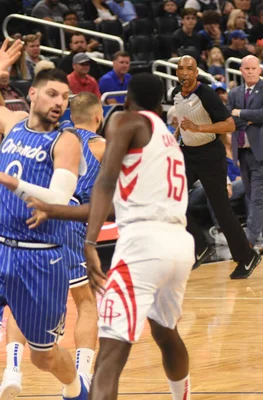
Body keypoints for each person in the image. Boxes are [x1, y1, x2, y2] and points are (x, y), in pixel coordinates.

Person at [83, 73, 192, 400]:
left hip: (144, 244)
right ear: (162, 103)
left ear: (127, 99)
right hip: (179, 243)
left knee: (109, 354)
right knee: (165, 331)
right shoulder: (167, 138)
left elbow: (105, 181)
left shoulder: (127, 121)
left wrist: (90, 242)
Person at [0, 92, 104, 399]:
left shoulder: (56, 138)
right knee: (85, 301)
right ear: (98, 117)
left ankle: (12, 368)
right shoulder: (101, 146)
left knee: (20, 297)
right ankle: (82, 375)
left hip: (28, 215)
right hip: (68, 221)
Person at [174, 56, 261, 278]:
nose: (184, 72)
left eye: (189, 69)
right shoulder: (175, 93)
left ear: (195, 72)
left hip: (210, 154)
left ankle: (247, 256)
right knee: (171, 199)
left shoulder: (206, 94)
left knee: (221, 209)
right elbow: (184, 122)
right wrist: (177, 136)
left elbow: (230, 124)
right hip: (188, 153)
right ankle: (201, 246)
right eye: (180, 68)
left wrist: (198, 127)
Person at [228, 55, 263, 255]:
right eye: (246, 68)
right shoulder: (234, 92)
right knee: (254, 196)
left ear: (260, 70)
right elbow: (229, 118)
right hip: (243, 150)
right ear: (241, 71)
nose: (250, 71)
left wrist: (240, 113)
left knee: (258, 198)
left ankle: (247, 242)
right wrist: (247, 117)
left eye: (254, 68)